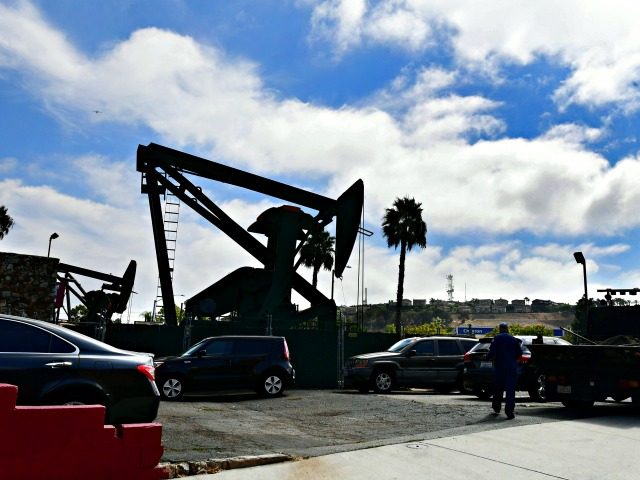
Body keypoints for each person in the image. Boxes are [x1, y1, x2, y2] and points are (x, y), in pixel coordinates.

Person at [487, 322, 522, 419]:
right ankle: (509, 411)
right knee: (510, 390)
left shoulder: (497, 338)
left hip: (500, 368)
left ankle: (497, 407)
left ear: (500, 329)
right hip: (511, 368)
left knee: (498, 389)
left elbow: (492, 353)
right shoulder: (513, 339)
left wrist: (489, 358)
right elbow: (519, 353)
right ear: (507, 329)